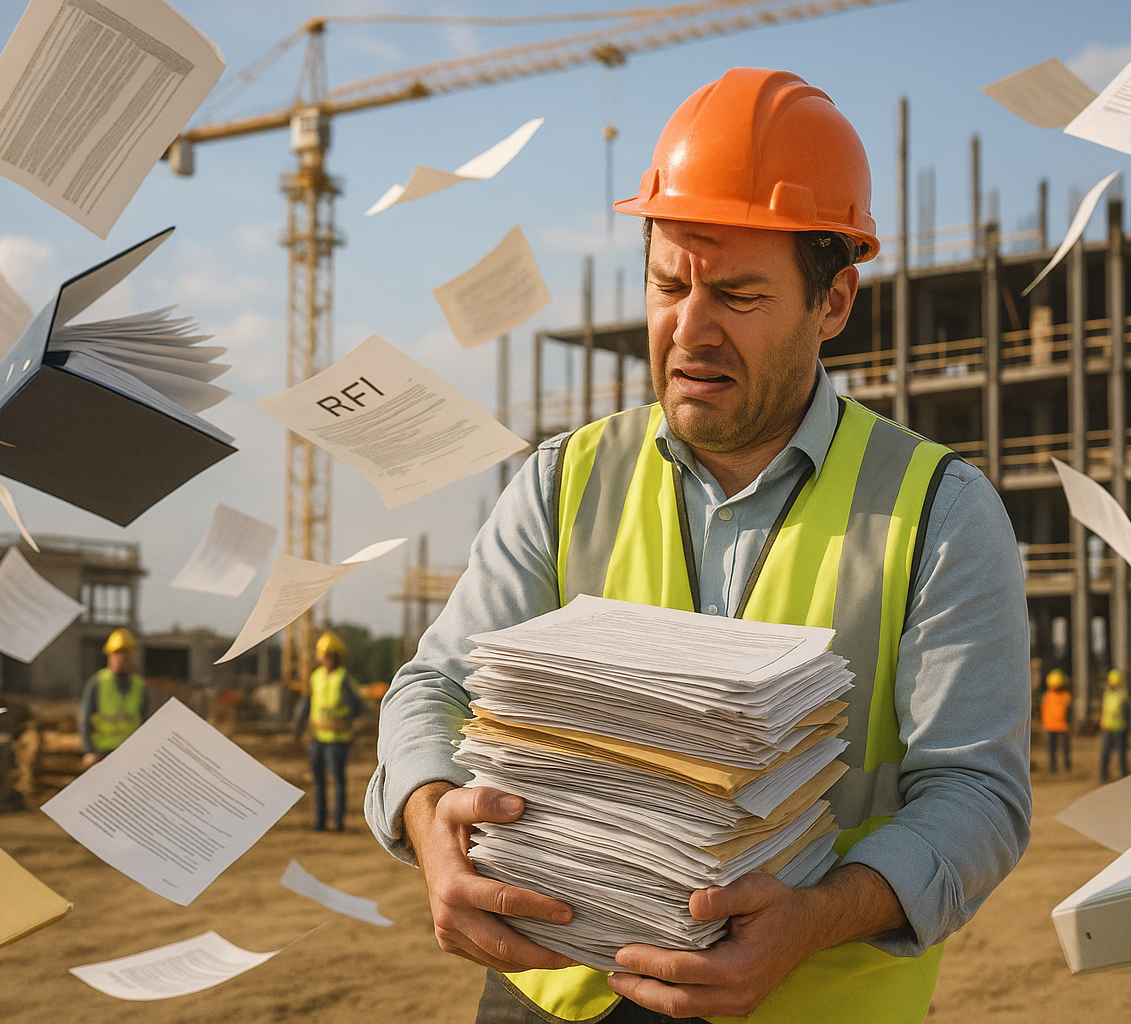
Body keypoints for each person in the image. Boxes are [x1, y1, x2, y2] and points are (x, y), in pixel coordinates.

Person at [365, 67, 1031, 1024]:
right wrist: (431, 825)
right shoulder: (565, 482)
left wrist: (809, 920)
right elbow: (435, 689)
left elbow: (975, 793)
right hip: (557, 997)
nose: (691, 328)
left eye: (739, 294)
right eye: (668, 284)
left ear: (834, 302)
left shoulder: (940, 511)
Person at [295, 630, 367, 832]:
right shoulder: (315, 677)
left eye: (330, 656)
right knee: (318, 780)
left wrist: (348, 720)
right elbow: (307, 703)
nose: (326, 659)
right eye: (323, 656)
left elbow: (357, 705)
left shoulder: (343, 678)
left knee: (337, 780)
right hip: (317, 738)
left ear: (336, 657)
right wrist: (299, 728)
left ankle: (338, 822)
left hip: (338, 739)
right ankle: (319, 821)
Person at [78, 628, 146, 768]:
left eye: (125, 654)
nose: (121, 659)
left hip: (129, 753)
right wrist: (89, 751)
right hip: (101, 753)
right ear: (110, 657)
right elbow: (84, 718)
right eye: (117, 654)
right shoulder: (97, 682)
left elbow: (144, 720)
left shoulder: (139, 686)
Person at [1099, 668, 1131, 782]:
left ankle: (1121, 774)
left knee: (1117, 753)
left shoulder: (1116, 694)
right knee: (1109, 753)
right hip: (1111, 727)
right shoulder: (1118, 694)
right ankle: (1106, 775)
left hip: (1115, 727)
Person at [1041, 668, 1072, 774]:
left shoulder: (1047, 696)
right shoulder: (1065, 696)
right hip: (1058, 725)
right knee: (1059, 748)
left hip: (1055, 725)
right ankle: (1059, 766)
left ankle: (1058, 767)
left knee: (1056, 748)